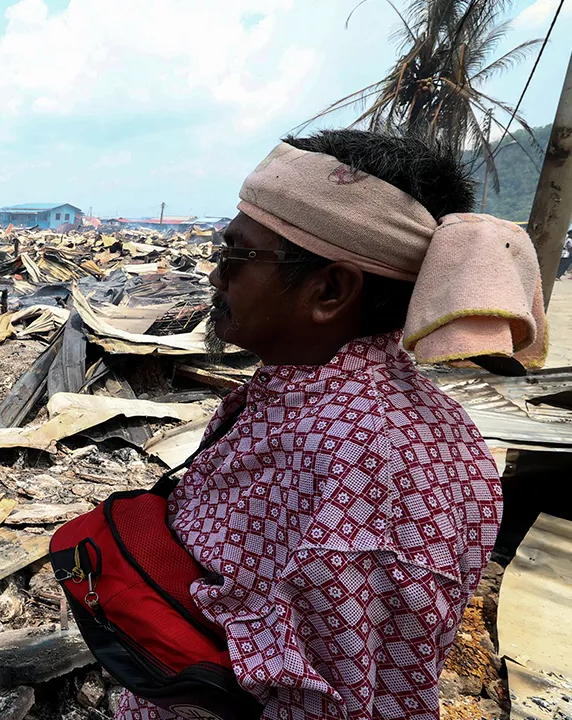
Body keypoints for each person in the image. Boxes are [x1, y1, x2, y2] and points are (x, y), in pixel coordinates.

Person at [117, 130, 546, 720]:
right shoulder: (327, 400)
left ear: (330, 289)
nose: (216, 278)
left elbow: (320, 694)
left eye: (235, 257)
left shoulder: (353, 455)